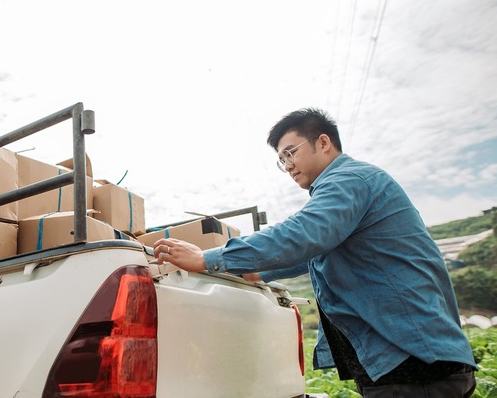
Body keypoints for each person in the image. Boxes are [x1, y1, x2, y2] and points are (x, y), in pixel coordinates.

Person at [153, 108, 477, 397]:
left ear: (323, 143)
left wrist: (207, 259)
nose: (288, 165)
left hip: (413, 362)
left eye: (290, 152)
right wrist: (251, 270)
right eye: (281, 160)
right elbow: (303, 255)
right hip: (408, 361)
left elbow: (302, 235)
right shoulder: (347, 197)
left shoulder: (349, 180)